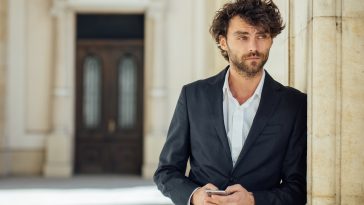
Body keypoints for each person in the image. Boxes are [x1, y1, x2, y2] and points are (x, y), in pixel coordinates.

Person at [154, 0, 307, 204]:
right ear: (223, 42)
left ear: (271, 40)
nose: (253, 46)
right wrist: (194, 196)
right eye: (243, 37)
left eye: (262, 36)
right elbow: (166, 171)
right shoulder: (193, 96)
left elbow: (298, 188)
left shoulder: (294, 104)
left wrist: (253, 200)